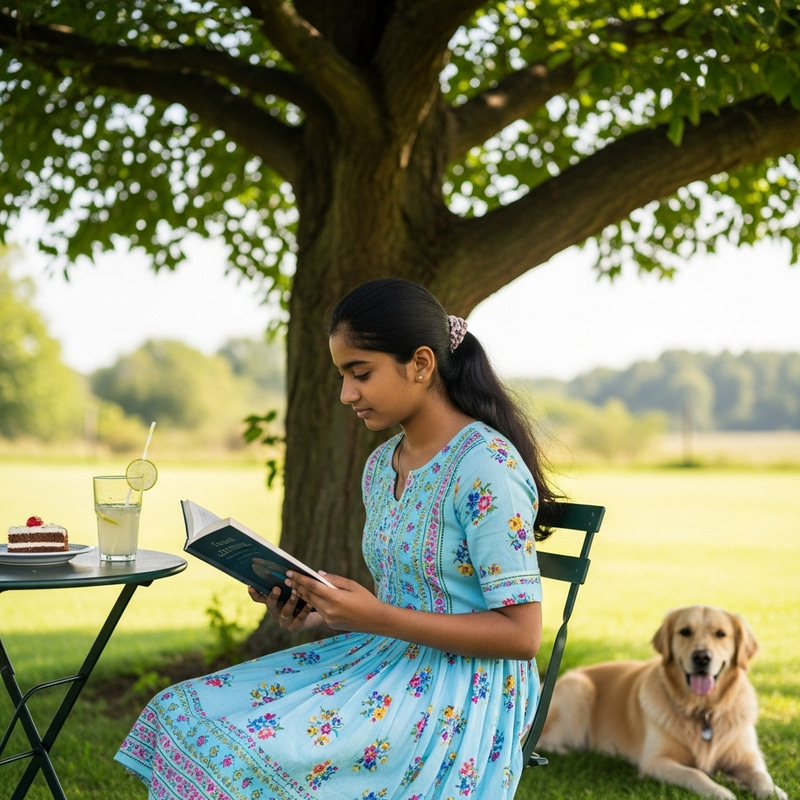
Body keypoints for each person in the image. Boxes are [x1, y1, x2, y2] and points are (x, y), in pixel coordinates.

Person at [115, 277, 560, 799]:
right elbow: (399, 599)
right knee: (179, 713)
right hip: (383, 657)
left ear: (421, 363)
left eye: (360, 373)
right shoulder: (381, 465)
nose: (346, 394)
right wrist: (319, 610)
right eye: (342, 375)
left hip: (464, 691)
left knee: (233, 752)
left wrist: (374, 617)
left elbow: (522, 636)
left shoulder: (488, 465)